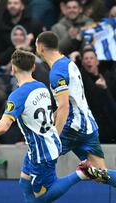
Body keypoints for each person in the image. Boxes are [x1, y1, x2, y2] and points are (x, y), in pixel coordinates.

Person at [0, 50, 106, 202]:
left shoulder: (18, 95)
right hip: (39, 146)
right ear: (33, 67)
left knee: (42, 197)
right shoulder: (42, 87)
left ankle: (82, 172)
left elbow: (3, 127)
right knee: (24, 183)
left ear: (13, 69)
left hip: (42, 153)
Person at [35, 31, 116, 187]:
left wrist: (55, 137)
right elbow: (69, 101)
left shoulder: (57, 72)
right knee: (101, 174)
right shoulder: (68, 63)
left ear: (40, 47)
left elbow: (65, 105)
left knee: (38, 161)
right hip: (88, 125)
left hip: (72, 126)